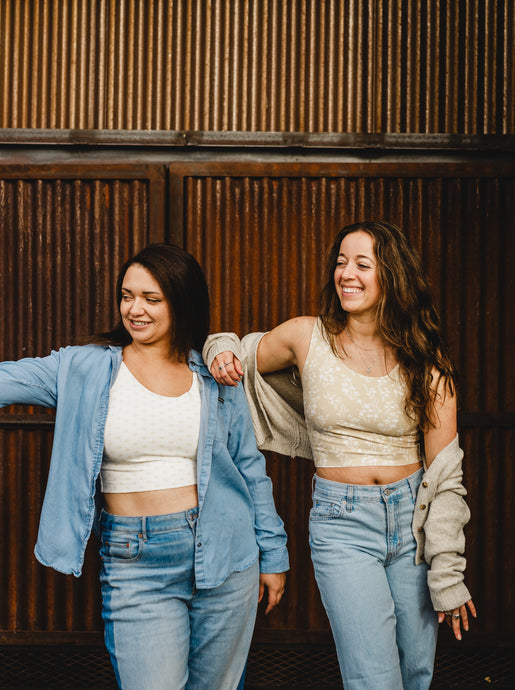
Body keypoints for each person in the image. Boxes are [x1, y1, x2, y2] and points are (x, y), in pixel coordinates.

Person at [0, 243, 289, 690]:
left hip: (225, 552)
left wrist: (274, 555)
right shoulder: (85, 367)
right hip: (135, 560)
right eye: (127, 295)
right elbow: (8, 379)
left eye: (151, 299)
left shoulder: (215, 376)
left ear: (182, 302)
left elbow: (251, 470)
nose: (135, 309)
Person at [204, 220, 476, 690]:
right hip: (342, 524)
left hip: (414, 522)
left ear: (391, 274)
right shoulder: (307, 336)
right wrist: (220, 349)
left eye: (362, 264)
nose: (346, 273)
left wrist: (449, 571)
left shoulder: (426, 360)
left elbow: (446, 474)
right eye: (340, 262)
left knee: (416, 672)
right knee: (374, 677)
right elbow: (236, 352)